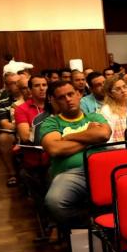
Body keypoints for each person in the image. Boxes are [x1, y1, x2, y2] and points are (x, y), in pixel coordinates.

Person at [41, 81, 112, 228]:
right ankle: (88, 222)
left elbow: (104, 134)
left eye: (70, 94)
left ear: (79, 94)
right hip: (71, 174)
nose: (67, 99)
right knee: (54, 202)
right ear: (54, 101)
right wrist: (89, 137)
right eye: (61, 97)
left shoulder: (94, 117)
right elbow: (55, 149)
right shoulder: (51, 122)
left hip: (101, 169)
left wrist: (66, 138)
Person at [0, 71, 23, 186]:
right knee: (3, 138)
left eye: (18, 82)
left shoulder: (29, 95)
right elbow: (4, 123)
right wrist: (21, 126)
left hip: (34, 127)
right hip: (15, 130)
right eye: (13, 83)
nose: (17, 85)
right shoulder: (4, 101)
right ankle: (13, 174)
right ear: (6, 86)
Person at [15, 72, 48, 143]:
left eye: (44, 85)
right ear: (30, 89)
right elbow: (26, 137)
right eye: (37, 86)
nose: (42, 88)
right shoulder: (21, 109)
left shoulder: (56, 104)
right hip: (36, 149)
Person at [99, 75, 127, 143]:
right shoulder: (106, 110)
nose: (123, 91)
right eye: (118, 89)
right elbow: (108, 139)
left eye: (124, 87)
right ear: (110, 94)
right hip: (119, 149)